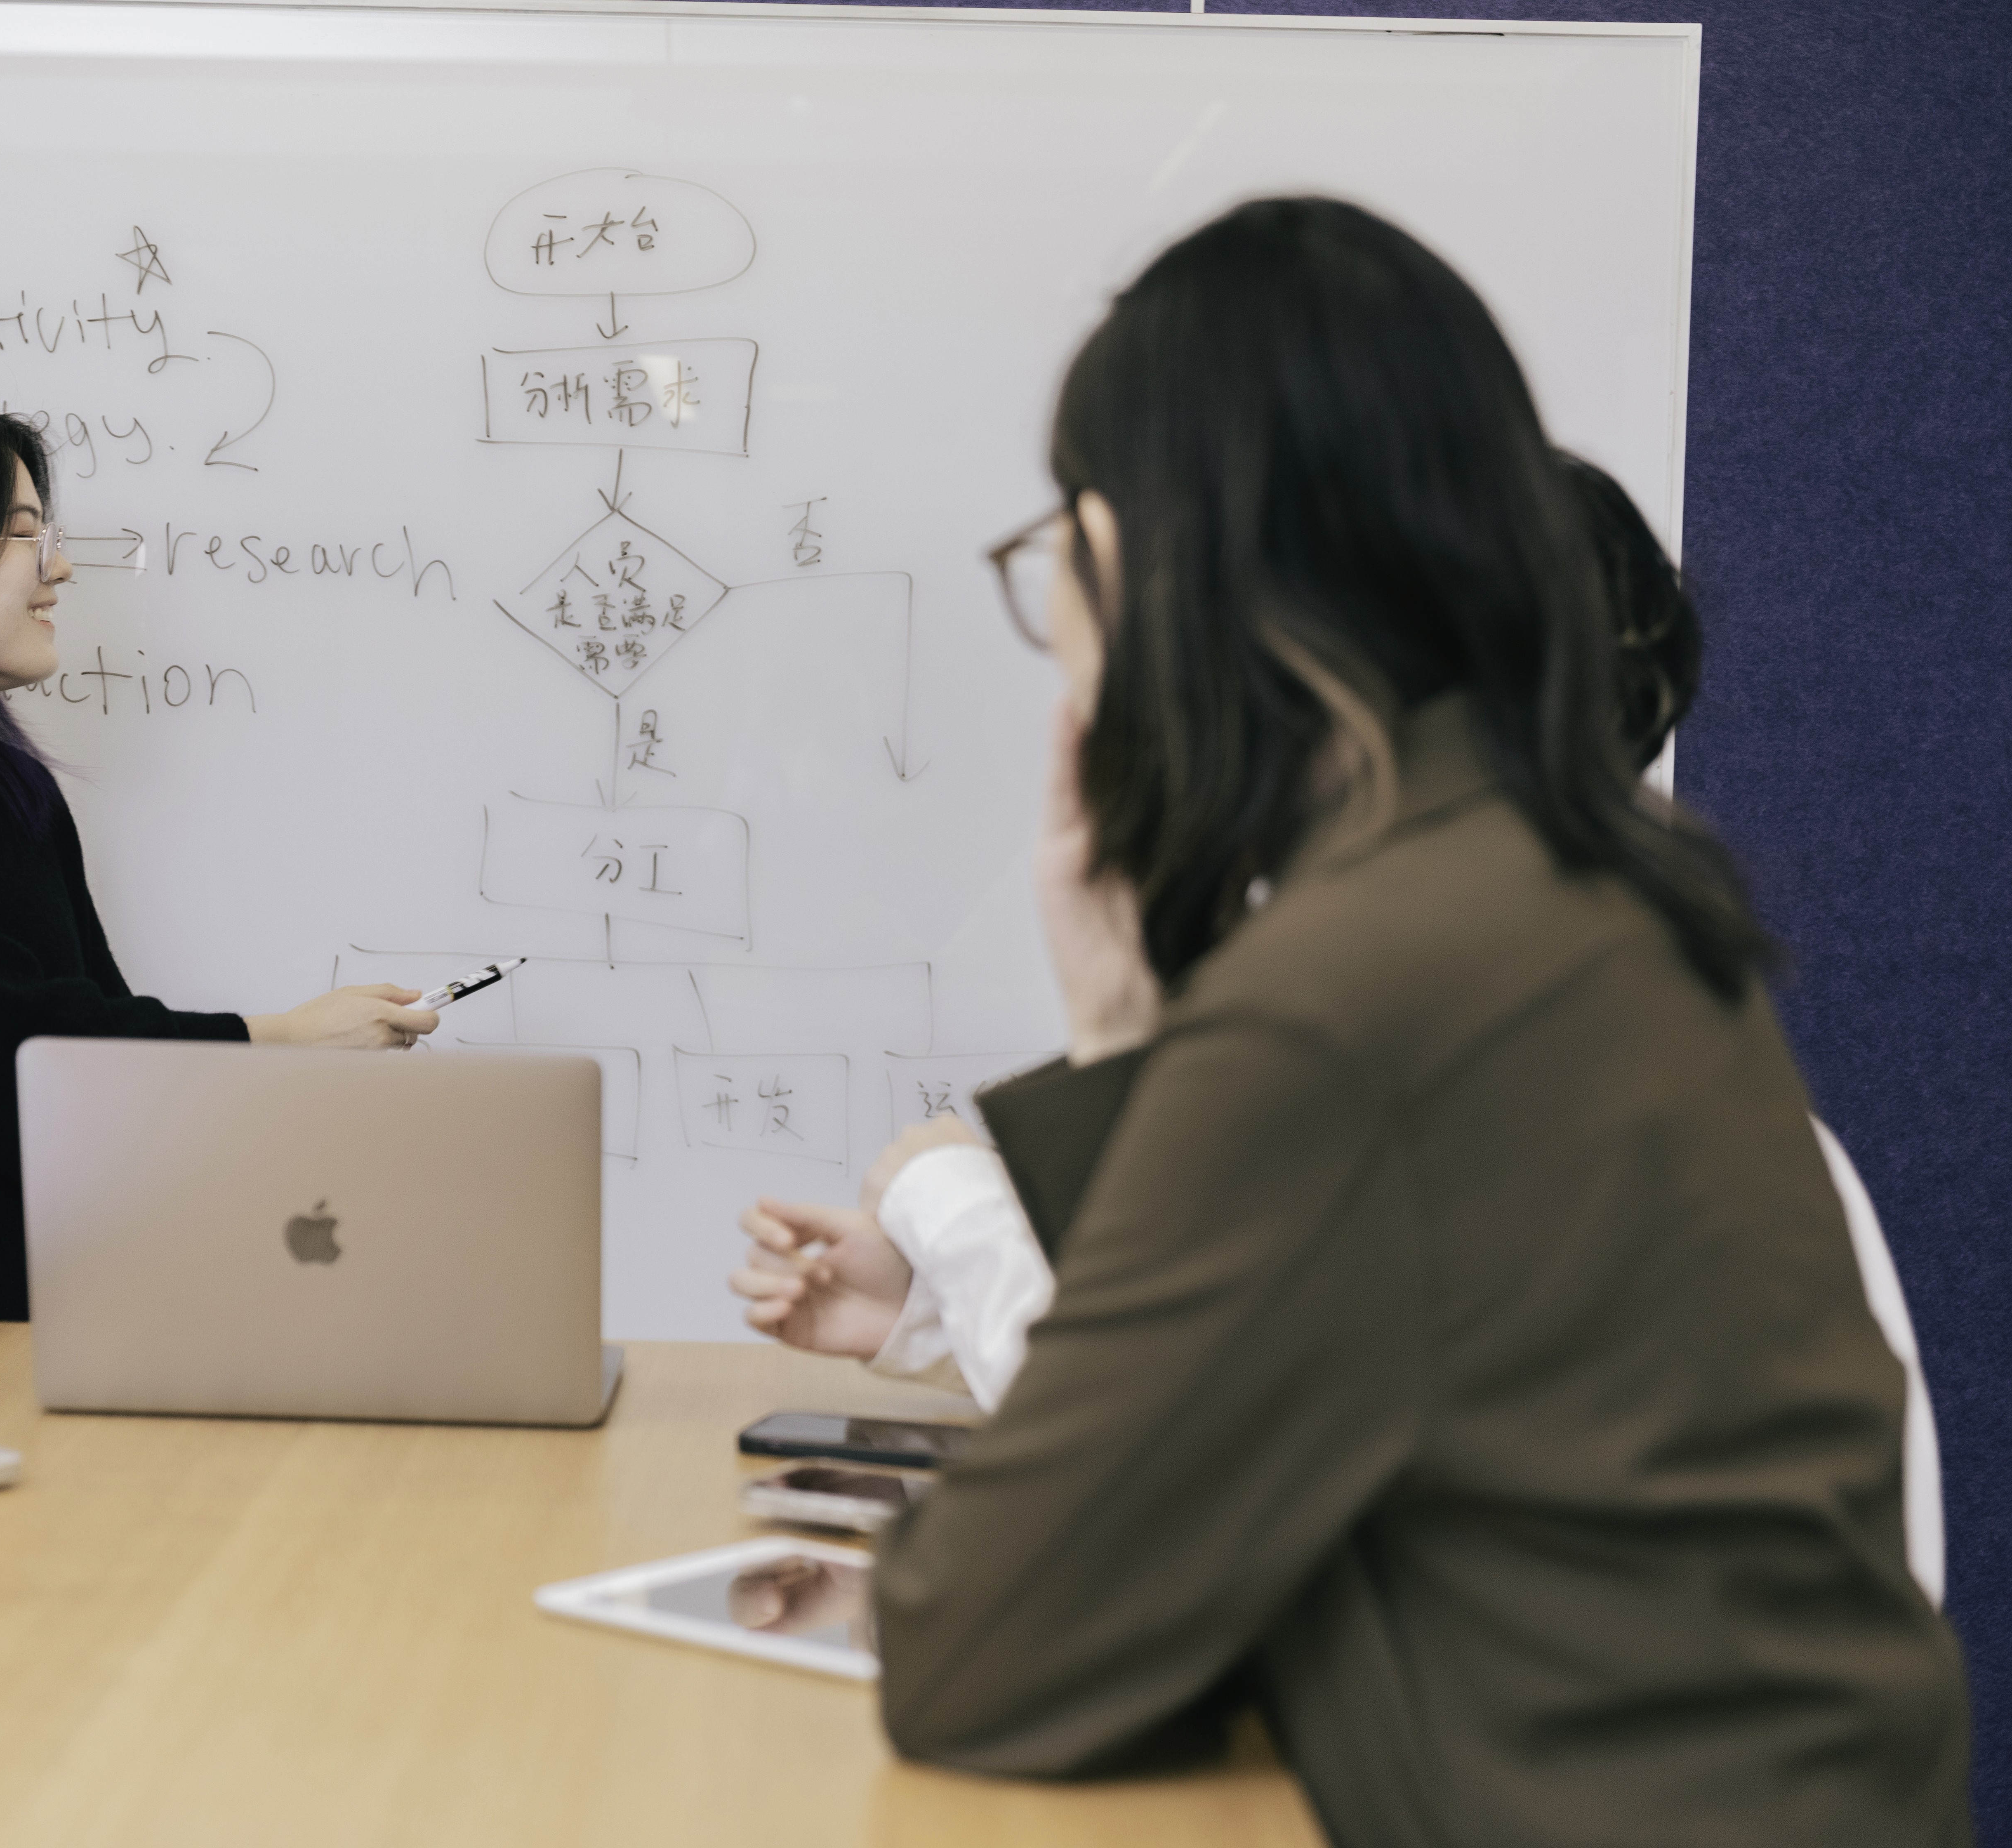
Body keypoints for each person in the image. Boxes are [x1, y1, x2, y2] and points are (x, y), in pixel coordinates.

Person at [736, 198, 1972, 1838]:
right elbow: (1210, 1472)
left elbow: (987, 1646)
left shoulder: (1358, 994)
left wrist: (1119, 1032)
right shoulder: (1588, 890)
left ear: (1160, 578)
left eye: (1068, 566)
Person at [735, 451, 1950, 1609]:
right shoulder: (1655, 1065)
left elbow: (1165, 1516)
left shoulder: (1476, 1101)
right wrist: (934, 1310)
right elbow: (1302, 1411)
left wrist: (965, 1218)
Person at [0, 395, 435, 1321]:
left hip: (35, 1309)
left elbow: (97, 1042)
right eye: (22, 535)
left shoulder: (11, 792)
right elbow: (8, 1053)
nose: (56, 569)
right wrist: (285, 1038)